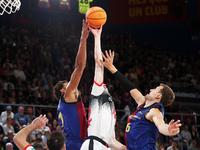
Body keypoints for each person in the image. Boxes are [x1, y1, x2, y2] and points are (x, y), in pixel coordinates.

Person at [100, 50, 182, 150]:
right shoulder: (142, 103)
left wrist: (169, 130)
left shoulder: (154, 112)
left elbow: (161, 126)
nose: (151, 89)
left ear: (158, 96)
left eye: (155, 89)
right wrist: (111, 68)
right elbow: (130, 87)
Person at [53, 20, 90, 150]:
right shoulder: (68, 95)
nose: (71, 85)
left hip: (73, 141)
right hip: (75, 143)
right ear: (63, 90)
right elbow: (80, 66)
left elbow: (76, 66)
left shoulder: (65, 102)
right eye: (67, 85)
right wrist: (83, 38)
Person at [80, 26, 116, 150]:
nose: (103, 84)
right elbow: (98, 63)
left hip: (105, 146)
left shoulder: (112, 110)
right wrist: (97, 36)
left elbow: (113, 142)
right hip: (94, 144)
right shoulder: (98, 93)